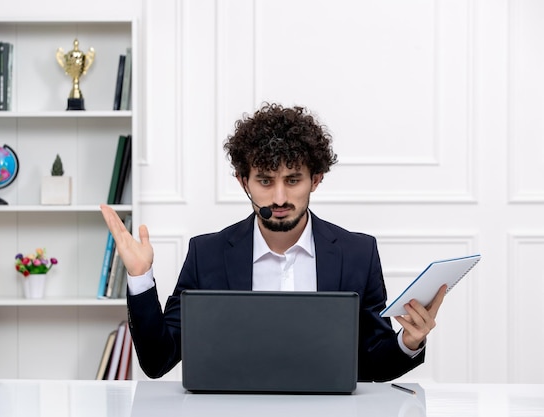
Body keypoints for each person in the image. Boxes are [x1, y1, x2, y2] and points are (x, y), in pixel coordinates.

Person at [100, 102, 446, 382]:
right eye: (265, 181)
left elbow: (373, 365)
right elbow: (158, 361)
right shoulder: (207, 254)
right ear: (243, 182)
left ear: (316, 178)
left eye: (293, 179)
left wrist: (408, 342)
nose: (280, 197)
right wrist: (140, 278)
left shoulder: (358, 253)